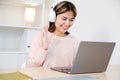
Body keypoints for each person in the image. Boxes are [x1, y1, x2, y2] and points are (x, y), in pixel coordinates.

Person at [25, 0, 79, 68]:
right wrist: (43, 48)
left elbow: (74, 67)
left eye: (71, 20)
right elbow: (30, 66)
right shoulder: (41, 37)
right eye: (64, 19)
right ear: (53, 17)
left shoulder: (73, 40)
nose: (67, 23)